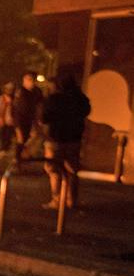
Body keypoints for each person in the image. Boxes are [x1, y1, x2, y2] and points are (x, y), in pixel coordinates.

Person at [40, 72, 91, 210]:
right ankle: (71, 200)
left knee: (53, 169)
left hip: (55, 139)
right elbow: (87, 112)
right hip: (74, 139)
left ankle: (57, 199)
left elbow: (44, 118)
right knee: (72, 170)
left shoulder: (54, 99)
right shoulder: (80, 99)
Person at [13, 72, 43, 162]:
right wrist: (17, 127)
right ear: (24, 81)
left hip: (29, 121)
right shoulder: (21, 92)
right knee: (20, 140)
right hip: (20, 121)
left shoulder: (35, 92)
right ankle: (17, 161)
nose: (32, 82)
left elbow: (39, 105)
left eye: (33, 80)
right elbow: (16, 111)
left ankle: (23, 158)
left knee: (28, 140)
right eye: (29, 80)